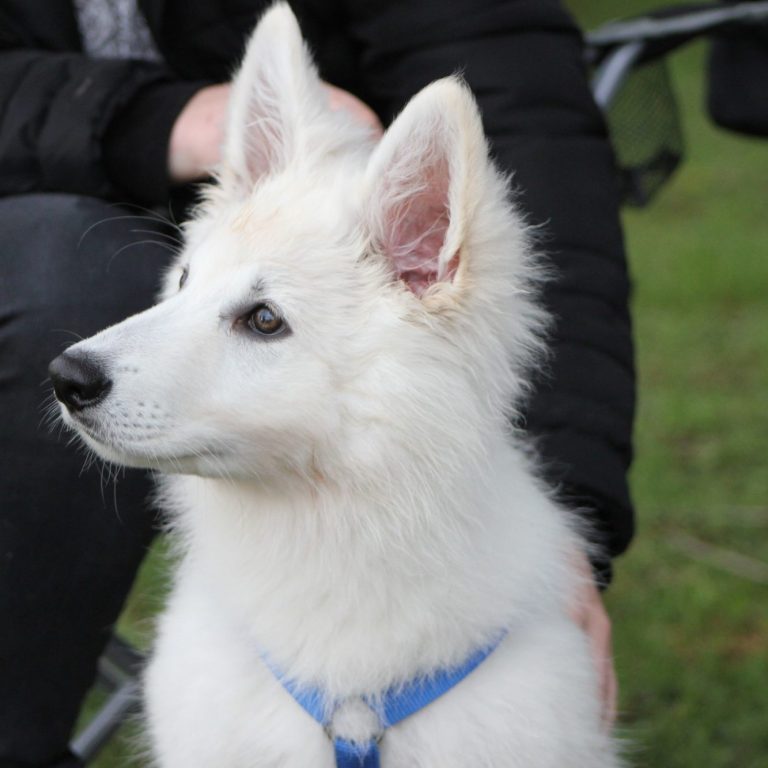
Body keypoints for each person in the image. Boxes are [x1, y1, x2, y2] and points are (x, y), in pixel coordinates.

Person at [0, 1, 635, 766]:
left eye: (262, 322)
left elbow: (529, 112)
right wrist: (149, 120)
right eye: (189, 281)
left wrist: (582, 493)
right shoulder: (209, 654)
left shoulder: (517, 683)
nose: (94, 360)